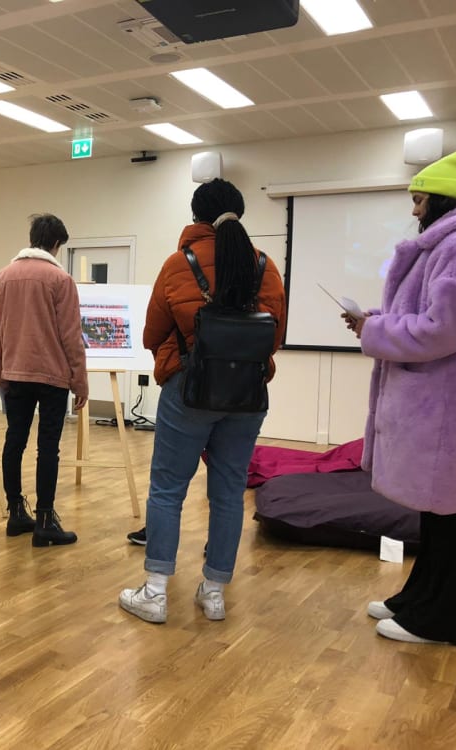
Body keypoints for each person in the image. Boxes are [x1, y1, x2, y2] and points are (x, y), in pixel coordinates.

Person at [344, 147, 456, 646]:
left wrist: (374, 328)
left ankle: (443, 621)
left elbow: (444, 329)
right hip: (441, 402)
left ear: (441, 199)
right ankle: (419, 600)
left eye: (419, 200)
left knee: (445, 517)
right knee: (437, 515)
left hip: (443, 405)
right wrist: (375, 321)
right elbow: (428, 315)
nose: (414, 210)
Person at [119, 178, 286, 624]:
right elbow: (276, 337)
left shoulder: (179, 264)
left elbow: (152, 334)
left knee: (168, 488)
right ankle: (213, 592)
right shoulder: (267, 267)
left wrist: (183, 357)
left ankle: (154, 592)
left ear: (196, 216)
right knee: (230, 492)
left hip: (190, 391)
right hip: (248, 395)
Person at [0, 213, 89, 546]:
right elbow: (71, 337)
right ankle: (45, 519)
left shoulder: (4, 276)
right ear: (57, 244)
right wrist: (80, 381)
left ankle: (16, 512)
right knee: (48, 447)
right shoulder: (60, 280)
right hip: (52, 376)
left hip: (14, 373)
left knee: (14, 441)